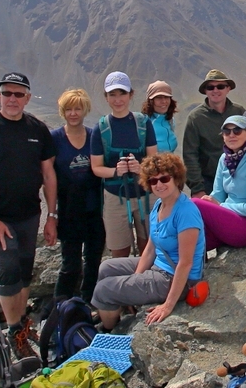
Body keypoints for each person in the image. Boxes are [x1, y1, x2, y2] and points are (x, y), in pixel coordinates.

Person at [0, 72, 57, 358]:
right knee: (8, 271)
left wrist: (52, 215)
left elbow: (48, 174)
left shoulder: (38, 130)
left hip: (29, 215)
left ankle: (21, 324)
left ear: (27, 98)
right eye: (7, 93)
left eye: (18, 94)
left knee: (26, 270)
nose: (12, 99)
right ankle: (15, 331)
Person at [91, 153, 206, 331]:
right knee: (105, 268)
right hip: (158, 266)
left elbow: (185, 263)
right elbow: (151, 248)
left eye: (164, 178)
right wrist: (135, 280)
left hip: (175, 277)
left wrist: (167, 306)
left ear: (176, 178)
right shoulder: (159, 205)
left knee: (103, 290)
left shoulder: (185, 212)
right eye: (153, 181)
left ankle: (110, 330)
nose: (159, 184)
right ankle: (114, 311)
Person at [90, 72, 158, 258]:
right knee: (119, 251)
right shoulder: (100, 129)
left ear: (131, 95)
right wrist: (115, 171)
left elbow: (153, 159)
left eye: (122, 94)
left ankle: (147, 284)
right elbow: (96, 167)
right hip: (115, 197)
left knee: (150, 247)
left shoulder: (144, 124)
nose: (118, 99)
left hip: (145, 194)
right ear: (106, 97)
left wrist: (141, 168)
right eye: (113, 94)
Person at [50, 88, 107, 306]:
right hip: (68, 210)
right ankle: (59, 308)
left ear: (85, 110)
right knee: (70, 264)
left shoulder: (94, 136)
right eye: (69, 109)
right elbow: (48, 176)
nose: (73, 113)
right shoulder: (54, 138)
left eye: (78, 108)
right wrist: (53, 214)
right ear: (63, 112)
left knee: (93, 261)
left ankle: (89, 304)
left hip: (95, 209)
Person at [192, 115, 246, 249]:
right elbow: (217, 195)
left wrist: (220, 206)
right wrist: (211, 202)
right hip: (228, 221)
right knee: (187, 239)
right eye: (227, 131)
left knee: (195, 203)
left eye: (237, 130)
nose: (231, 135)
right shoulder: (224, 159)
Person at [182, 70, 245, 197]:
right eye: (210, 87)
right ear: (205, 91)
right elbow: (190, 156)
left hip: (240, 180)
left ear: (228, 89)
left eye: (220, 86)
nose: (215, 90)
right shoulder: (196, 118)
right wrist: (198, 189)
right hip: (208, 184)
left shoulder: (239, 112)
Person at [142, 80, 178, 153]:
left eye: (166, 97)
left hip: (170, 163)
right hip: (152, 164)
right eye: (159, 97)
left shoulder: (170, 121)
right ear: (151, 101)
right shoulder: (144, 123)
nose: (163, 101)